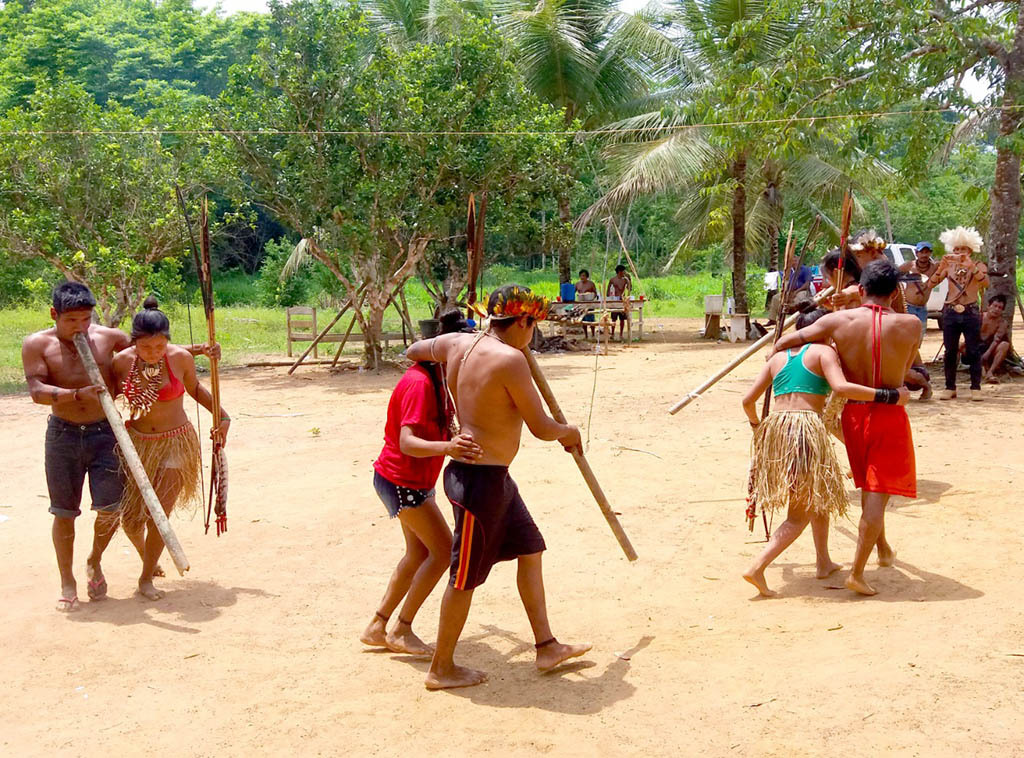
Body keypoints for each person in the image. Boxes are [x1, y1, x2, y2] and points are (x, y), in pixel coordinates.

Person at [406, 285, 591, 690]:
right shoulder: (510, 360)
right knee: (463, 577)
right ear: (522, 321)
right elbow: (542, 428)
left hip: (493, 478)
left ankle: (547, 646)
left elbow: (414, 352)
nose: (533, 335)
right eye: (533, 325)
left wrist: (451, 407)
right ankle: (441, 668)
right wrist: (569, 431)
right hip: (477, 483)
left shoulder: (458, 343)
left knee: (530, 548)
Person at [21, 283, 215, 611]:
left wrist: (199, 349)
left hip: (105, 433)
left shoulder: (107, 337)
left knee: (110, 509)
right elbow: (37, 390)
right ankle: (68, 582)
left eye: (85, 319)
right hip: (63, 435)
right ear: (54, 314)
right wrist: (77, 394)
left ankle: (94, 560)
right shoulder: (36, 344)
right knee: (64, 512)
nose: (80, 327)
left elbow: (150, 346)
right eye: (71, 321)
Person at [772, 259, 921, 596]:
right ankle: (857, 573)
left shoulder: (836, 321)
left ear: (863, 289)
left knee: (871, 486)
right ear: (895, 291)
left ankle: (882, 549)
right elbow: (908, 360)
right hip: (888, 412)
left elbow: (784, 342)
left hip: (852, 416)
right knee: (875, 496)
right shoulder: (911, 324)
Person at [742, 306, 910, 597]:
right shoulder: (823, 353)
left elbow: (747, 400)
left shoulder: (778, 358)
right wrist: (890, 396)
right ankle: (757, 566)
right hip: (804, 429)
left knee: (819, 496)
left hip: (777, 430)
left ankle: (823, 561)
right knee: (798, 515)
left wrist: (758, 427)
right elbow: (841, 387)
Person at [361, 311, 483, 656]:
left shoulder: (441, 380)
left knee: (418, 553)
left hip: (410, 480)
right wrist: (449, 447)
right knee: (443, 551)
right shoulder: (419, 383)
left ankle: (377, 625)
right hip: (402, 480)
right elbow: (407, 442)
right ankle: (402, 627)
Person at [111, 297, 230, 600]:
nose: (153, 354)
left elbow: (195, 390)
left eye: (159, 347)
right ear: (134, 342)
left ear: (168, 342)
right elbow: (107, 399)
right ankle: (148, 560)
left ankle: (144, 579)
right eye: (146, 347)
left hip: (177, 442)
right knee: (131, 519)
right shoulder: (121, 362)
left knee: (159, 514)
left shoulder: (179, 359)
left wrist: (222, 415)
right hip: (138, 443)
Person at [927, 226, 990, 401]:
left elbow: (986, 283)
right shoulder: (948, 267)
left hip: (970, 311)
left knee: (973, 350)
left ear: (970, 250)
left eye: (963, 249)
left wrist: (972, 267)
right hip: (950, 312)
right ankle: (950, 387)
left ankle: (975, 387)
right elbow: (931, 284)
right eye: (956, 249)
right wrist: (941, 268)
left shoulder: (978, 265)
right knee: (950, 351)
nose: (960, 253)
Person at [899, 242, 938, 342]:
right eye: (921, 252)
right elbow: (893, 275)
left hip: (922, 308)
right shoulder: (909, 265)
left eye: (927, 252)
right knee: (907, 337)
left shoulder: (934, 268)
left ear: (930, 253)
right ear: (916, 253)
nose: (924, 255)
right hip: (909, 307)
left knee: (918, 339)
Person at [978, 294, 1012, 383]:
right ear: (988, 306)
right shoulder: (979, 317)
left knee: (1004, 345)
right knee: (960, 345)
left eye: (1000, 308)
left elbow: (996, 340)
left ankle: (990, 372)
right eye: (995, 306)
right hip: (975, 349)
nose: (997, 309)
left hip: (991, 350)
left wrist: (987, 353)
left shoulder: (1002, 323)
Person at [606, 265, 631, 341]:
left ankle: (621, 334)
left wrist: (629, 280)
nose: (624, 273)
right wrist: (609, 299)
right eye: (623, 271)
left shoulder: (625, 280)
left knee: (622, 319)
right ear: (619, 272)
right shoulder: (612, 280)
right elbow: (608, 291)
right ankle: (612, 334)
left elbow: (629, 289)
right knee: (614, 318)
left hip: (622, 300)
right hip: (614, 300)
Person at [575, 269, 598, 339]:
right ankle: (586, 335)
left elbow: (595, 293)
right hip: (581, 303)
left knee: (591, 319)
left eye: (584, 276)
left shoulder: (591, 284)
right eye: (581, 276)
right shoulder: (577, 284)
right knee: (583, 320)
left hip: (589, 303)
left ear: (587, 276)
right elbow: (573, 292)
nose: (582, 277)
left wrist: (591, 296)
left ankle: (593, 334)